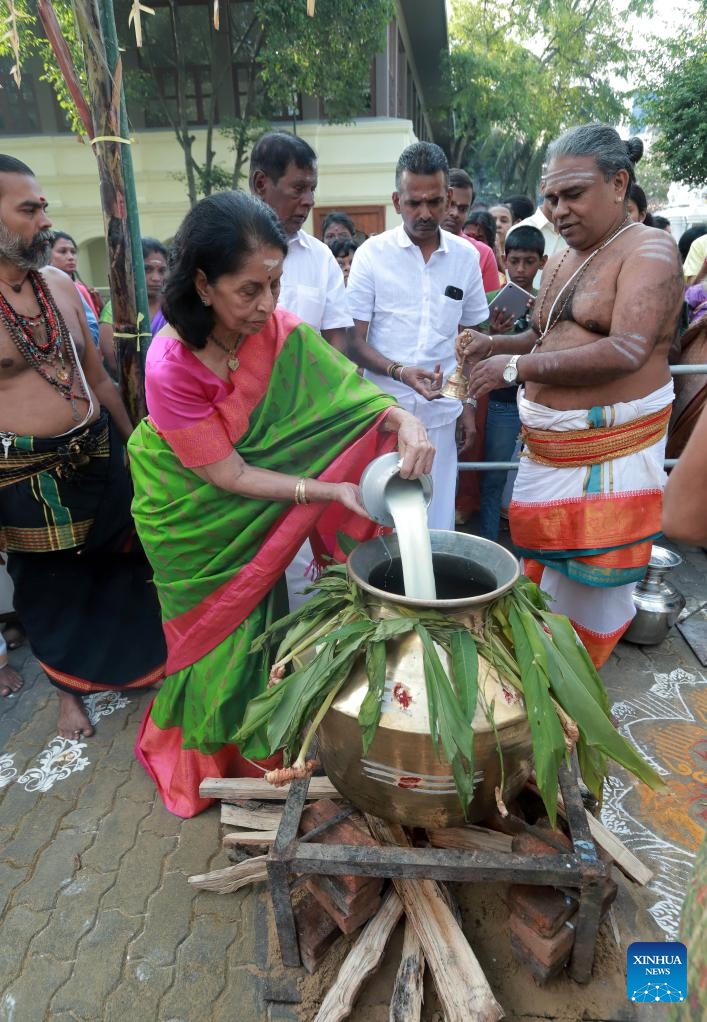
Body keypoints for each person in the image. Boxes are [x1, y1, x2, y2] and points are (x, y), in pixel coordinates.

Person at [126, 189, 435, 817]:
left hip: (250, 502)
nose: (268, 305)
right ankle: (207, 761)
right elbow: (228, 473)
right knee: (211, 639)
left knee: (259, 622)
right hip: (191, 512)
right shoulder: (170, 365)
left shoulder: (278, 331)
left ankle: (255, 747)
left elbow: (349, 398)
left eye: (276, 283)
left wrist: (405, 419)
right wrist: (327, 490)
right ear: (203, 284)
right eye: (250, 290)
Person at [457, 123, 684, 668]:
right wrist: (496, 341)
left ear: (618, 183)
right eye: (551, 197)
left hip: (608, 463)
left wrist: (514, 366)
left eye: (574, 194)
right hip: (553, 461)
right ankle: (551, 684)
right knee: (548, 595)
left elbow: (628, 348)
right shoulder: (565, 257)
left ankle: (577, 693)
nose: (559, 210)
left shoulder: (649, 251)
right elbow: (546, 334)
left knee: (590, 604)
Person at [0, 155, 166, 736]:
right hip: (25, 477)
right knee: (50, 586)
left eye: (43, 204)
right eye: (28, 208)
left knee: (126, 559)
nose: (44, 218)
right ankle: (68, 692)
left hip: (98, 452)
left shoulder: (60, 285)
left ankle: (135, 665)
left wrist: (133, 443)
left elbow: (97, 377)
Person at [346, 141, 488, 530]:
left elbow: (472, 337)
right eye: (414, 203)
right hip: (383, 416)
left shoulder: (465, 257)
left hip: (442, 418)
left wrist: (469, 404)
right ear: (396, 200)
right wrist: (400, 371)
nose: (425, 213)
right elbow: (351, 342)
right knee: (380, 526)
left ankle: (430, 593)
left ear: (449, 198)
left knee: (436, 523)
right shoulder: (371, 255)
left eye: (435, 201)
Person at [249, 131, 352, 353]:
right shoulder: (223, 252)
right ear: (260, 184)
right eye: (298, 189)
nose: (310, 201)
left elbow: (336, 343)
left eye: (312, 189)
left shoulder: (321, 258)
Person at [477, 225, 546, 541]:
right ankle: (491, 546)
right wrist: (494, 331)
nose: (520, 269)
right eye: (515, 261)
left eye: (529, 261)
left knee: (538, 477)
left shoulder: (549, 301)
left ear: (542, 262)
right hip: (503, 402)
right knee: (493, 476)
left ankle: (531, 549)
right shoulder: (489, 301)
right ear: (504, 260)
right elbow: (474, 349)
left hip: (540, 400)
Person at [99, 237, 169, 377]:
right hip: (131, 388)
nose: (156, 278)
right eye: (147, 269)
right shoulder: (116, 307)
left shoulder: (173, 306)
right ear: (130, 269)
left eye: (161, 271)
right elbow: (114, 364)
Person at [442, 169, 501, 293]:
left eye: (462, 208)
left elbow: (489, 309)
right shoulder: (416, 246)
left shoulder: (483, 254)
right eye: (449, 204)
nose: (455, 213)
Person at [49, 230, 100, 345]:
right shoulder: (38, 287)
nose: (70, 257)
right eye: (62, 252)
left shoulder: (79, 289)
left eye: (73, 252)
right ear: (46, 254)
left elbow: (92, 328)